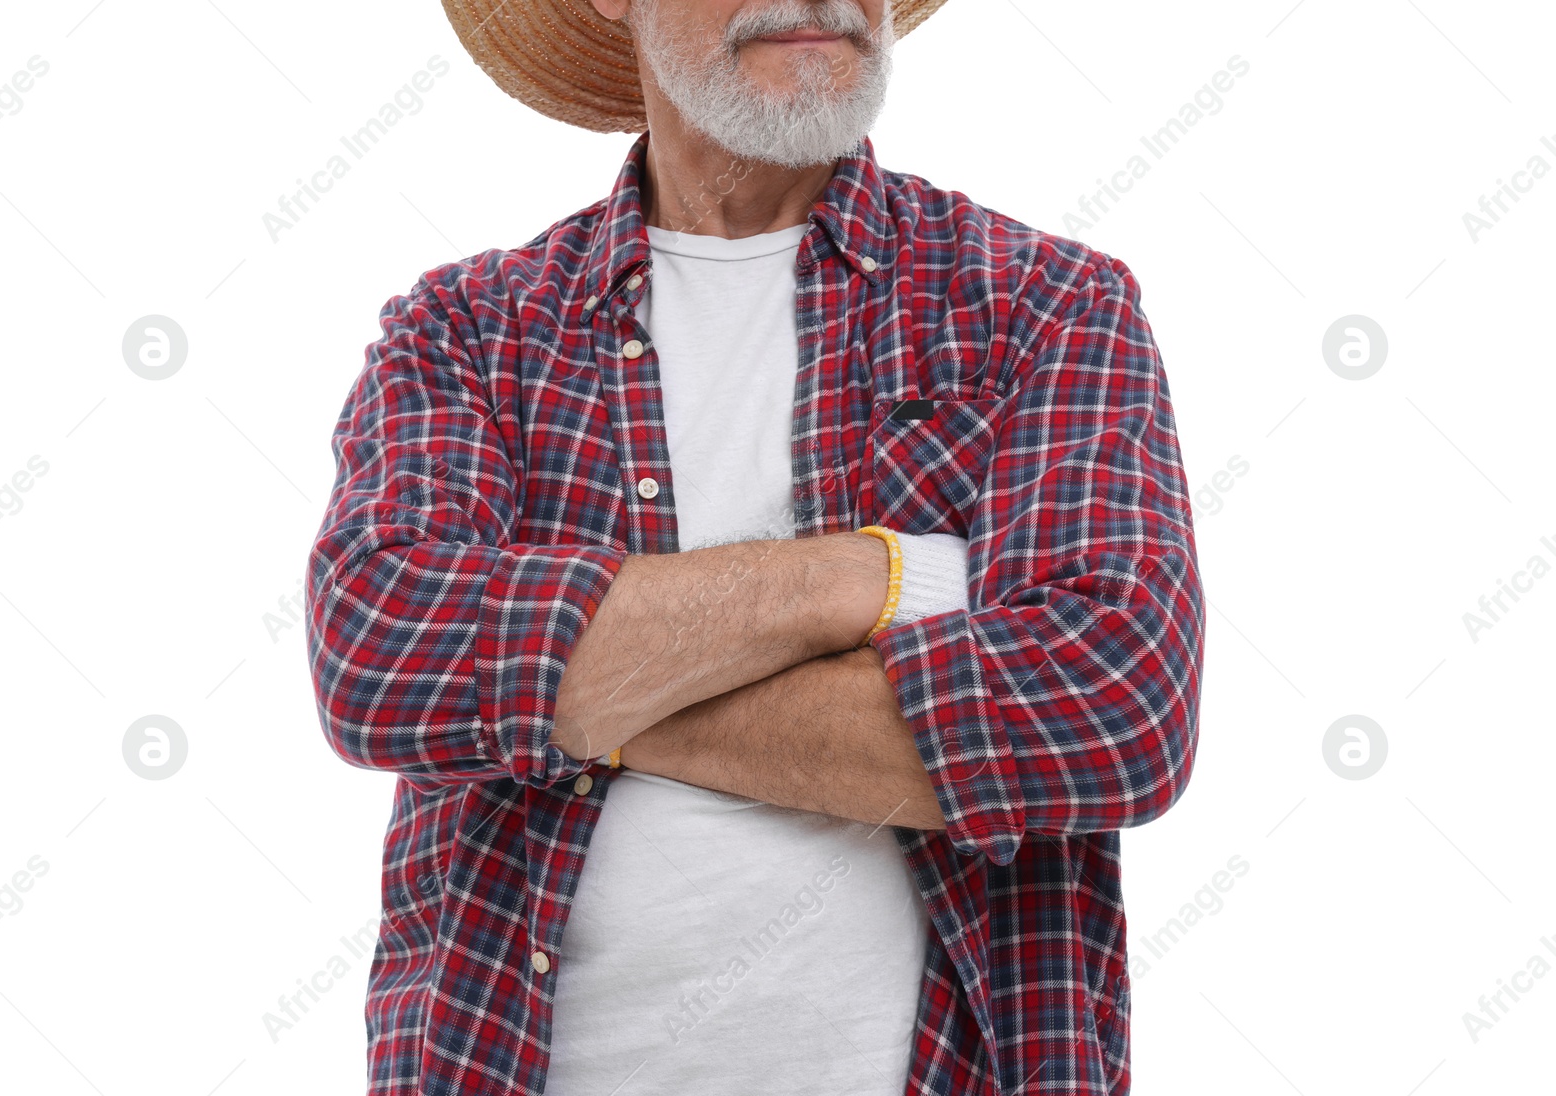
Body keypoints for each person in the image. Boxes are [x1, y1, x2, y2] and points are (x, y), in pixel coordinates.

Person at [304, 1, 1205, 1093]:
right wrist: (868, 575)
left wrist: (590, 697)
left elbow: (1112, 714)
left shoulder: (1044, 309)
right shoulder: (466, 332)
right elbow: (382, 659)